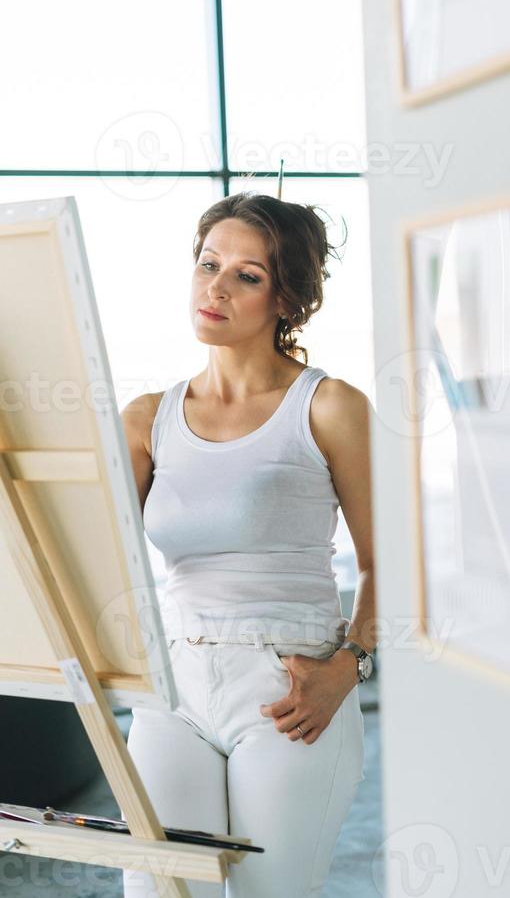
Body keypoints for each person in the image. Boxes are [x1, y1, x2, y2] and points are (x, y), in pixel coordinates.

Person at [119, 192, 377, 897]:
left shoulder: (328, 407)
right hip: (176, 689)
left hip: (290, 689)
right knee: (160, 891)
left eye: (248, 275)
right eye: (209, 264)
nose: (217, 287)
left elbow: (391, 563)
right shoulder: (147, 419)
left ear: (286, 298)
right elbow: (79, 540)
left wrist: (348, 668)